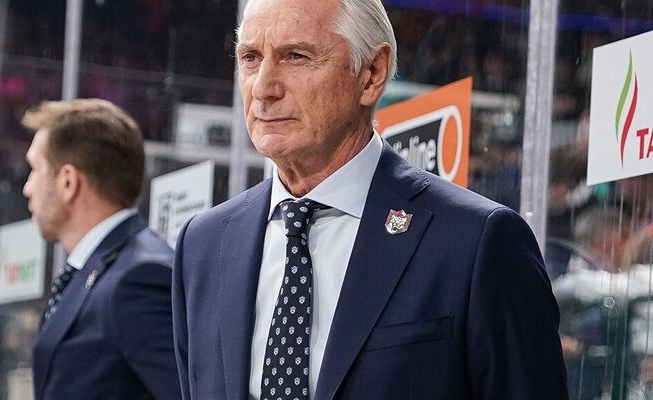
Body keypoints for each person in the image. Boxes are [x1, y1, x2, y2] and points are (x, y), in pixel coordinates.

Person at [171, 0, 568, 398]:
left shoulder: (476, 241)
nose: (263, 87)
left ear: (372, 74)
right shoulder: (203, 246)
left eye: (296, 56)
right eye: (250, 58)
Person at [22, 99, 180, 400]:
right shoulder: (101, 271)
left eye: (35, 170)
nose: (27, 188)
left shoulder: (138, 278)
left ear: (68, 182)